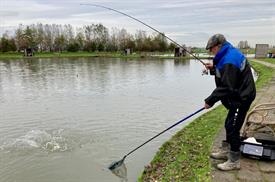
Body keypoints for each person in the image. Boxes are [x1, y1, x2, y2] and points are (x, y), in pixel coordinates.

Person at [204, 34, 256, 171]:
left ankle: (234, 161)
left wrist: (210, 101)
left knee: (233, 128)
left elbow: (227, 86)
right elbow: (227, 73)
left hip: (242, 97)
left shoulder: (229, 59)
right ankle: (226, 151)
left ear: (218, 46)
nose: (210, 51)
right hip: (237, 94)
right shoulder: (227, 54)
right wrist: (213, 69)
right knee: (229, 123)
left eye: (211, 48)